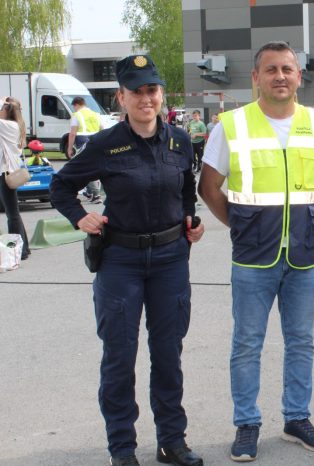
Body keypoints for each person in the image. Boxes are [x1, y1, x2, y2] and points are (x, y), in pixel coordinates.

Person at [49, 54, 205, 466]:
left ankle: (172, 441)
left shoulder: (179, 140)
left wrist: (191, 219)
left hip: (170, 260)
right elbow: (61, 185)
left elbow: (186, 190)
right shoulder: (105, 144)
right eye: (136, 91)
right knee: (119, 357)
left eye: (152, 90)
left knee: (168, 355)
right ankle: (122, 448)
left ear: (161, 94)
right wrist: (80, 217)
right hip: (121, 261)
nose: (145, 98)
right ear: (121, 97)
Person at [198, 40, 314, 463]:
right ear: (255, 77)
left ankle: (297, 418)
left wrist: (305, 216)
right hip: (253, 257)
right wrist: (241, 225)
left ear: (299, 76)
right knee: (247, 343)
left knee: (301, 341)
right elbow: (208, 186)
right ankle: (247, 424)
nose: (280, 76)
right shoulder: (231, 125)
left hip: (303, 255)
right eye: (271, 69)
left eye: (287, 69)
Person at [0, 96, 31, 260]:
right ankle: (24, 247)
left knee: (12, 214)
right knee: (13, 212)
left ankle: (19, 250)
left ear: (6, 110)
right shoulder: (14, 125)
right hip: (9, 171)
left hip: (6, 173)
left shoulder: (8, 126)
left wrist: (2, 101)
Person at [67, 96, 103, 202]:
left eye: (74, 107)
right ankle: (90, 192)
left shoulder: (76, 115)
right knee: (93, 166)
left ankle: (96, 194)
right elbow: (102, 128)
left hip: (83, 142)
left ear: (76, 105)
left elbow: (72, 133)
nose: (74, 109)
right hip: (96, 141)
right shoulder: (95, 114)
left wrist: (69, 148)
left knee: (86, 168)